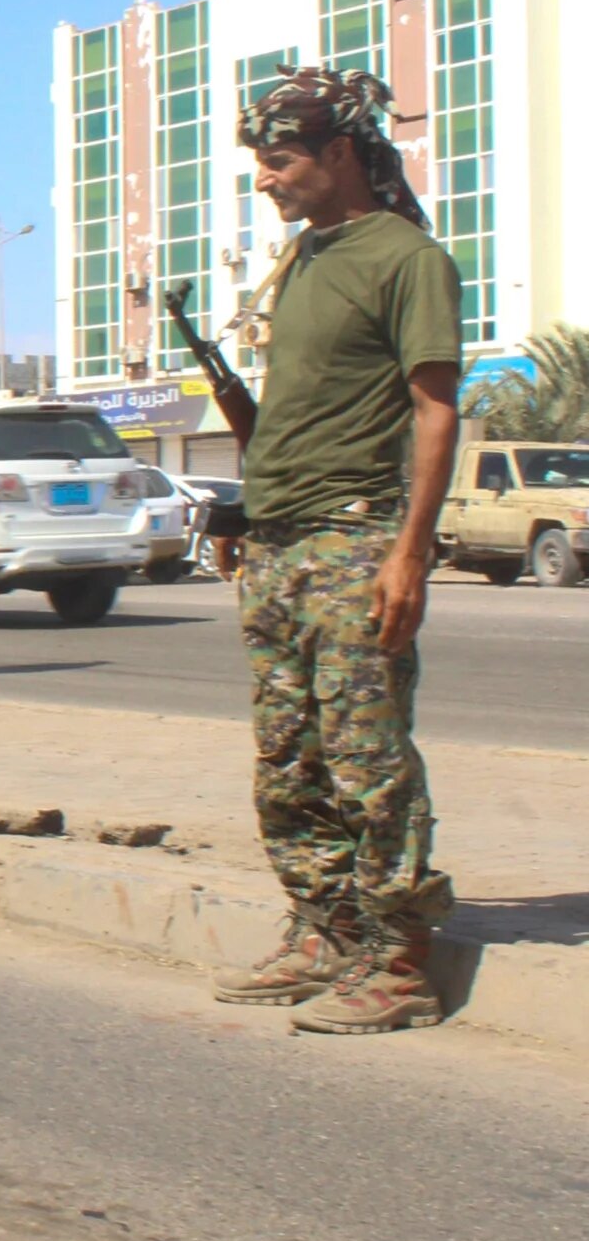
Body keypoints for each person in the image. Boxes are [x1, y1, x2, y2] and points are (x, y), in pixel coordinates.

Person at [208, 65, 461, 1035]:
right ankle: (324, 927)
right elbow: (293, 413)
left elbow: (434, 410)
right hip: (276, 544)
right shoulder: (302, 260)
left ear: (338, 154)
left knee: (366, 758)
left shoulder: (405, 258)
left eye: (276, 161)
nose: (264, 181)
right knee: (287, 758)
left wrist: (409, 551)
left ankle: (397, 960)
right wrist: (244, 516)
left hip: (353, 539)